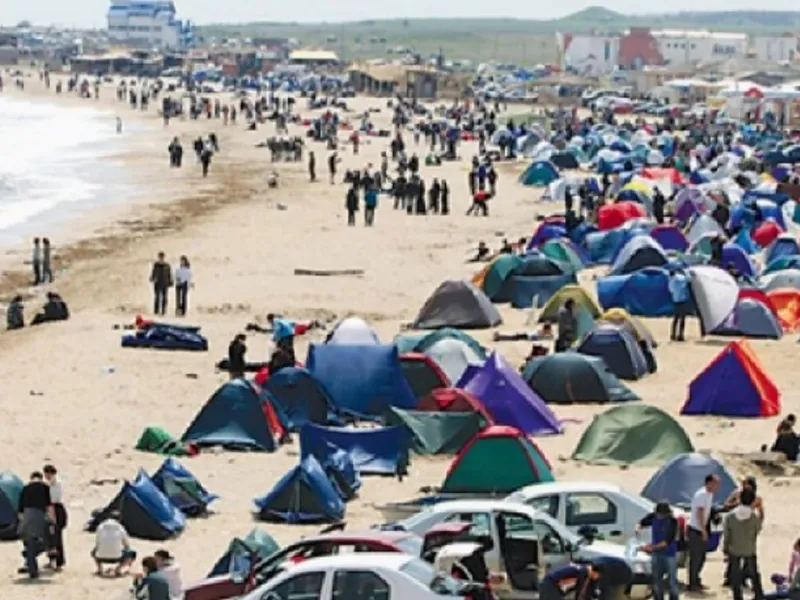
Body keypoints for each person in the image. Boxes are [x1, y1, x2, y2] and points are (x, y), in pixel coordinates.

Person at [724, 488, 764, 600]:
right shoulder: (753, 517)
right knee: (754, 573)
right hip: (749, 548)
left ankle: (738, 596)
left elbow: (727, 534)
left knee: (735, 574)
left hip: (734, 547)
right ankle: (758, 594)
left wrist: (725, 547)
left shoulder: (730, 516)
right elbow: (758, 529)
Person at [637, 502, 679, 600]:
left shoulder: (672, 522)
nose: (659, 516)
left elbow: (666, 542)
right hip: (656, 555)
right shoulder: (653, 517)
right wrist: (638, 528)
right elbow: (641, 522)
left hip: (669, 554)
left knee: (672, 581)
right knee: (656, 580)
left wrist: (651, 548)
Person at [687, 474, 720, 592]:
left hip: (701, 528)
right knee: (695, 557)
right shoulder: (701, 494)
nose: (718, 486)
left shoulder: (710, 494)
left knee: (701, 557)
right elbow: (699, 512)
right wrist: (703, 530)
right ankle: (692, 583)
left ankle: (696, 580)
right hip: (696, 529)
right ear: (709, 483)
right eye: (716, 483)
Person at [17, 471, 51, 579]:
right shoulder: (45, 487)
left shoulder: (25, 488)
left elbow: (20, 508)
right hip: (40, 515)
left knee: (29, 542)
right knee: (44, 541)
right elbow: (48, 505)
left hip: (27, 515)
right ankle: (29, 558)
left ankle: (31, 566)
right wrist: (51, 519)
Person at [92, 511, 136, 576]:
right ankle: (118, 569)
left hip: (100, 556)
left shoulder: (101, 526)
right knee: (132, 553)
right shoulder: (120, 528)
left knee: (93, 551)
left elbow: (97, 542)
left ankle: (99, 569)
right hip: (117, 557)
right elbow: (126, 545)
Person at [43, 465, 67, 571]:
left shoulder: (55, 484)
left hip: (55, 509)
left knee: (56, 537)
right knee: (51, 537)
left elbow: (53, 500)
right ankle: (52, 560)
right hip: (53, 509)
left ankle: (59, 562)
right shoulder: (51, 484)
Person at [668, 269, 691, 342]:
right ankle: (680, 335)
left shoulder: (671, 281)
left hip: (676, 301)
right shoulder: (682, 278)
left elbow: (671, 291)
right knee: (682, 319)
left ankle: (673, 335)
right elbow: (689, 279)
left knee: (676, 319)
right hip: (683, 300)